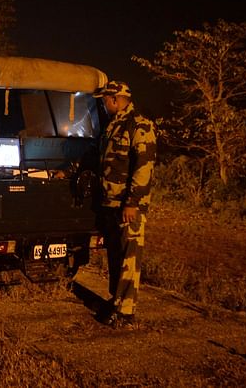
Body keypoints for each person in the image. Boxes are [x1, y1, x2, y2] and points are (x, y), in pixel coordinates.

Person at [93, 80, 157, 327]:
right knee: (117, 256)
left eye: (105, 100)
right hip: (111, 203)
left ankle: (126, 312)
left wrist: (132, 203)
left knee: (130, 258)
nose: (103, 104)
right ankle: (116, 300)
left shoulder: (139, 126)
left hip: (128, 206)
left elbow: (143, 169)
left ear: (116, 99)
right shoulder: (113, 126)